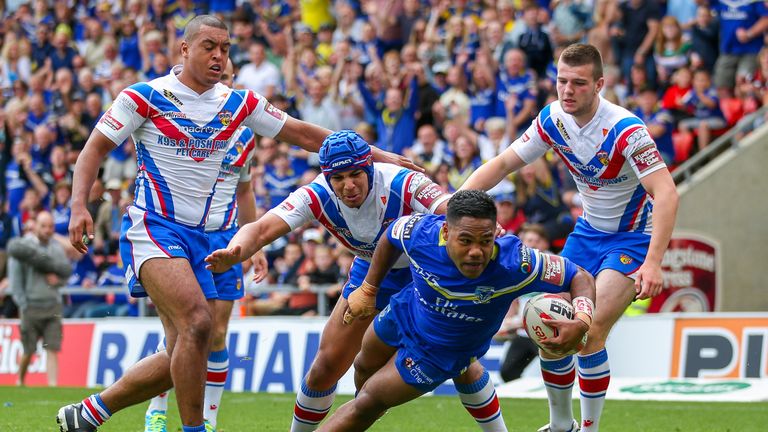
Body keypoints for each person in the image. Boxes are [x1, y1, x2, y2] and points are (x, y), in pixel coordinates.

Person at [56, 15, 417, 432]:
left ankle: (88, 413)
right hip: (154, 227)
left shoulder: (238, 103)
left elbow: (303, 134)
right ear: (185, 49)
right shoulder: (143, 97)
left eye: (225, 48)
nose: (219, 56)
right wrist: (78, 205)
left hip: (209, 237)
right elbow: (93, 149)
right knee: (198, 324)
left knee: (186, 346)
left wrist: (378, 155)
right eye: (209, 46)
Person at [205, 131, 508, 432]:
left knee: (462, 363)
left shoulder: (402, 182)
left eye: (355, 174)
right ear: (327, 178)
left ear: (370, 168)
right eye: (338, 178)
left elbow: (449, 210)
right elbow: (260, 229)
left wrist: (487, 232)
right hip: (371, 269)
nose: (348, 186)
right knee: (325, 366)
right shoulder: (316, 194)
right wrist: (236, 251)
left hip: (423, 271)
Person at [460, 43, 679, 432]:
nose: (567, 91)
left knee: (588, 329)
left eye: (578, 83)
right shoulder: (552, 119)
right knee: (551, 324)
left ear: (599, 84)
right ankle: (562, 425)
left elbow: (666, 193)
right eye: (562, 81)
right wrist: (457, 206)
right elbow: (505, 163)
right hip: (587, 233)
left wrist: (654, 262)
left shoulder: (627, 131)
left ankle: (589, 430)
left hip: (632, 240)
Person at [318, 190, 596, 431]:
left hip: (440, 353)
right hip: (404, 312)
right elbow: (390, 237)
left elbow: (579, 276)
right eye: (466, 241)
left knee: (367, 401)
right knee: (362, 367)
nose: (476, 251)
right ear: (446, 232)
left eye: (485, 241)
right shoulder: (420, 233)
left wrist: (582, 321)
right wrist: (369, 288)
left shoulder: (516, 263)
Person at [141, 59, 260, 432]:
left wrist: (254, 242)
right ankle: (157, 407)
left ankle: (207, 420)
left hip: (225, 236)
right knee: (181, 331)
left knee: (217, 332)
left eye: (227, 79)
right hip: (182, 233)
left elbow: (245, 190)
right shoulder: (178, 123)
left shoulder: (245, 135)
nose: (220, 87)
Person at [8, 211, 71, 387]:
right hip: (31, 306)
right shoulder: (23, 247)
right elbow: (15, 279)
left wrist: (58, 281)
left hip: (53, 305)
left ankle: (52, 386)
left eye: (51, 226)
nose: (47, 230)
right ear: (35, 225)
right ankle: (20, 379)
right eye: (43, 226)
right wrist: (23, 304)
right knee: (28, 350)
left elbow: (65, 274)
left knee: (52, 348)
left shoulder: (57, 248)